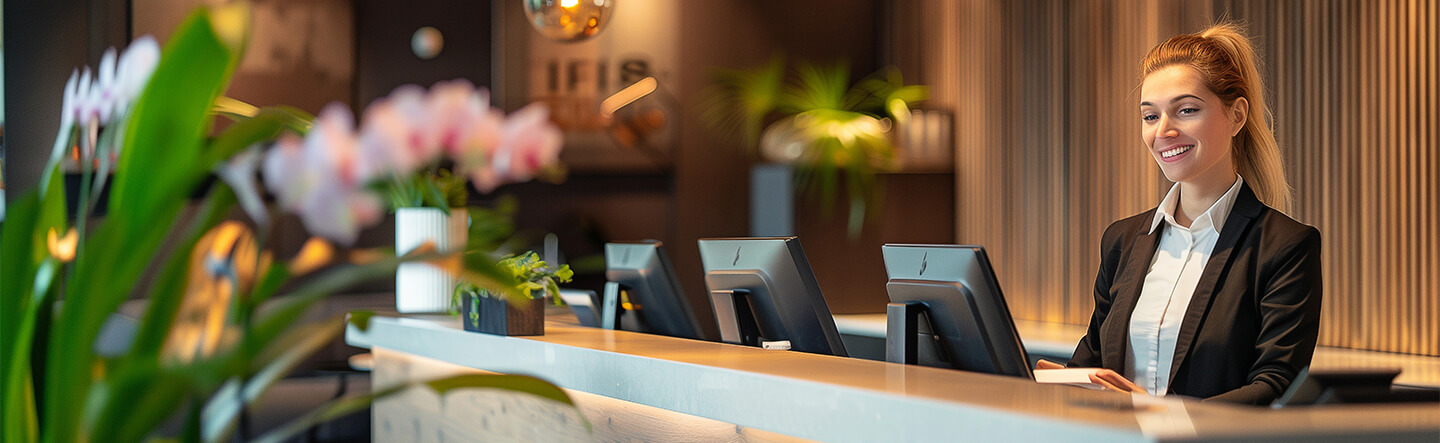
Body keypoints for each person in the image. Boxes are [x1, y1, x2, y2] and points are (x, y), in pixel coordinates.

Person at [1037, 23, 1323, 405]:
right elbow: (1093, 361)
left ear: (1237, 116)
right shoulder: (1121, 241)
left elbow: (1276, 386)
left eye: (1186, 110)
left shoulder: (1285, 247)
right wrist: (1063, 379)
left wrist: (1164, 414)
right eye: (1150, 116)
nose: (1163, 132)